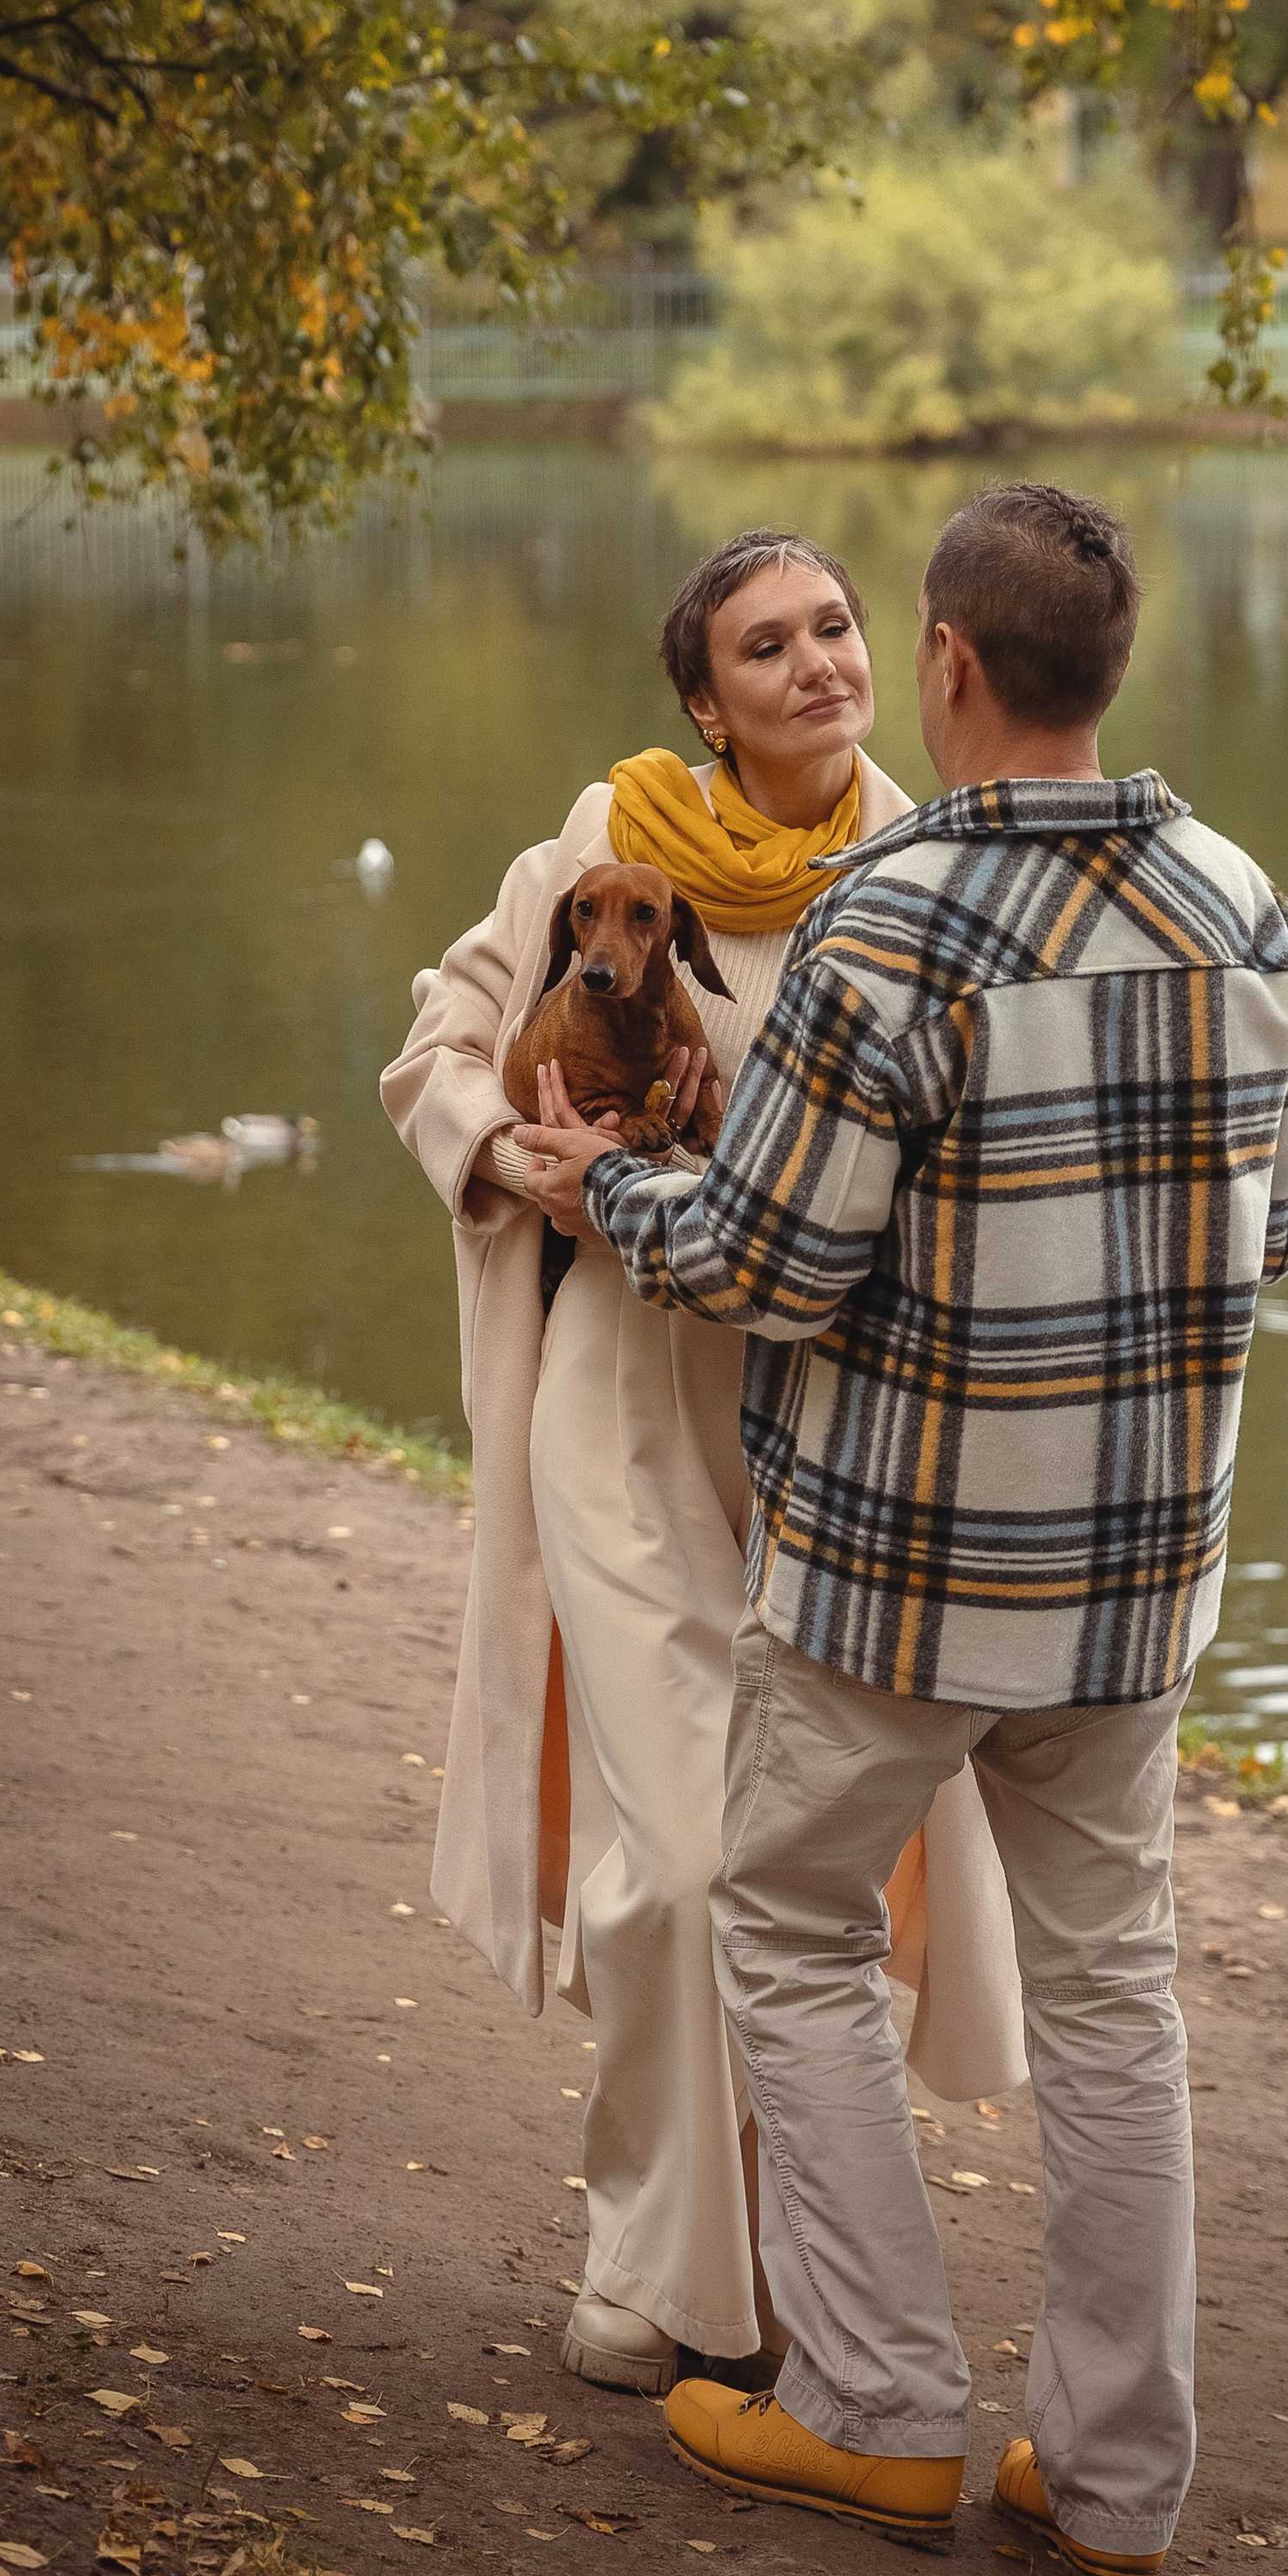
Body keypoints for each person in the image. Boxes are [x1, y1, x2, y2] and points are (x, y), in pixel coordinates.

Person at [518, 481, 1288, 2576]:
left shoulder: (893, 919)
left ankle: (874, 2412)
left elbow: (768, 1263)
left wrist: (591, 1185)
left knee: (780, 1922)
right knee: (1115, 2000)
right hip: (1142, 1584)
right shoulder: (1245, 904)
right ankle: (1115, 2484)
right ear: (1105, 666)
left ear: (948, 667)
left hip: (896, 1577)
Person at [379, 530, 1025, 2400]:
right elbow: (441, 1042)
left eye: (835, 628)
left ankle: (782, 2254)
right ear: (701, 699)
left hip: (834, 1415)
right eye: (767, 645)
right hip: (623, 1386)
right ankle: (651, 2257)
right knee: (665, 1863)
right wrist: (511, 1155)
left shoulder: (932, 860)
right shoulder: (607, 837)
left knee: (794, 1862)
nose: (818, 663)